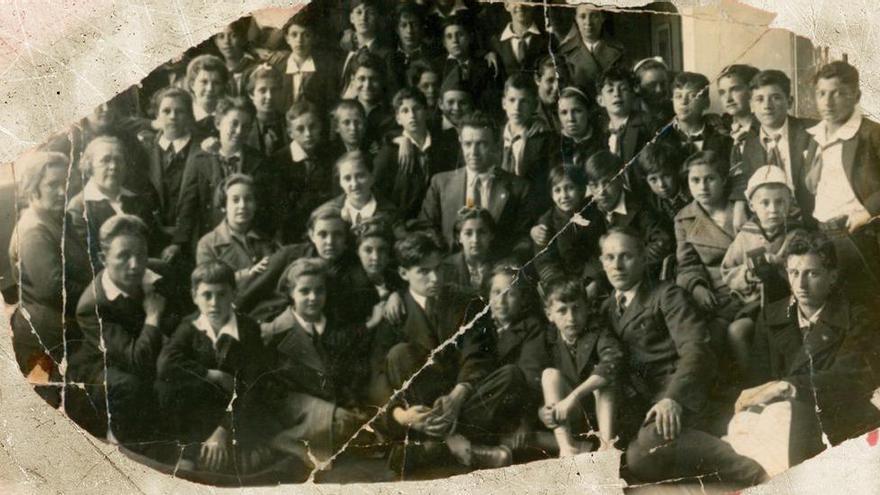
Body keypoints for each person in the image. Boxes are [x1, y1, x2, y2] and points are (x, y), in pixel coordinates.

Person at [598, 227, 767, 485]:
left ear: (643, 258)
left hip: (687, 396)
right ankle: (710, 447)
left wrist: (672, 398)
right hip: (647, 404)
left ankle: (757, 472)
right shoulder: (607, 308)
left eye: (626, 256)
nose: (617, 266)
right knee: (629, 459)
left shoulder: (667, 295)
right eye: (610, 258)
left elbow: (696, 348)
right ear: (602, 262)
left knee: (644, 452)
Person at [372, 231, 527, 470]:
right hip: (421, 411)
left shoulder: (467, 301)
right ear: (404, 274)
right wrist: (402, 416)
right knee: (400, 354)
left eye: (438, 268)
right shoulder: (395, 312)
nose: (434, 278)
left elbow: (477, 355)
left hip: (463, 400)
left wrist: (458, 394)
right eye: (423, 271)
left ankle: (435, 447)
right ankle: (453, 442)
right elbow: (378, 376)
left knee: (511, 376)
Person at [736, 232, 880, 467]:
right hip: (778, 421)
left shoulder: (857, 316)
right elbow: (759, 380)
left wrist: (787, 387)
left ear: (832, 277)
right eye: (794, 273)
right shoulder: (772, 317)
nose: (800, 284)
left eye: (812, 273)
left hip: (840, 418)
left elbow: (848, 379)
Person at [67, 215, 179, 445]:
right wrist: (154, 315)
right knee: (131, 387)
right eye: (123, 256)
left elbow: (182, 318)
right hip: (104, 364)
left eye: (141, 255)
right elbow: (136, 360)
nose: (135, 264)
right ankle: (127, 442)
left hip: (147, 348)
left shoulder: (159, 272)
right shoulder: (92, 306)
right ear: (103, 258)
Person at [157, 261, 276, 473]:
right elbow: (166, 363)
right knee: (169, 387)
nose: (214, 303)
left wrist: (223, 429)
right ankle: (194, 452)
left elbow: (253, 383)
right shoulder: (189, 326)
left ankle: (227, 450)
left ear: (234, 294)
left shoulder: (247, 329)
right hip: (201, 408)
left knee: (256, 402)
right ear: (195, 296)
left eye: (222, 294)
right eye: (207, 295)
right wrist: (212, 374)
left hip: (237, 406)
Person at [261, 257, 374, 463]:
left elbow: (351, 373)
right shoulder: (273, 333)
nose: (313, 297)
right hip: (294, 407)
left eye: (319, 290)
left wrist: (352, 403)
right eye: (304, 291)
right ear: (291, 294)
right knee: (343, 424)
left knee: (363, 423)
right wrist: (325, 410)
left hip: (336, 402)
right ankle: (285, 441)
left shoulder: (338, 328)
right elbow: (270, 389)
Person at [8, 152, 91, 406]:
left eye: (64, 183)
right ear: (34, 187)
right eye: (52, 185)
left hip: (66, 328)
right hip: (43, 338)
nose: (60, 191)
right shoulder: (33, 230)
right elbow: (53, 288)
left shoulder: (57, 221)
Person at [801, 61, 880, 304]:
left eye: (838, 93)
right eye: (822, 94)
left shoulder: (871, 134)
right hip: (823, 233)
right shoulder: (816, 136)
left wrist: (867, 212)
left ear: (856, 96)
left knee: (862, 304)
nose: (828, 102)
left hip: (859, 235)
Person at [721, 165, 806, 376]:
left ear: (790, 204)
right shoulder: (745, 236)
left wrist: (781, 264)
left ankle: (790, 376)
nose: (773, 209)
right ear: (751, 205)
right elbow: (728, 271)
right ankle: (755, 381)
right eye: (765, 203)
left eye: (780, 202)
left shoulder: (797, 234)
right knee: (738, 331)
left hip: (790, 301)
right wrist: (749, 273)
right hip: (755, 305)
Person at [525, 276, 621, 457]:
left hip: (603, 414)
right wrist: (542, 412)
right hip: (572, 417)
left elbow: (611, 362)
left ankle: (606, 448)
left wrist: (573, 397)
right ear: (549, 315)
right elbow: (538, 385)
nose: (571, 318)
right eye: (562, 311)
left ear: (587, 308)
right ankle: (567, 448)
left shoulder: (598, 330)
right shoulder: (548, 339)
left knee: (603, 381)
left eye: (576, 308)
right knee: (549, 375)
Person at [419, 111, 533, 257]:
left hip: (499, 270)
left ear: (496, 145)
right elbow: (426, 228)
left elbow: (523, 238)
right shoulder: (440, 183)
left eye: (482, 144)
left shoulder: (519, 188)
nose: (473, 152)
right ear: (460, 143)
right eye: (468, 144)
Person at [175, 96, 273, 248]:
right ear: (218, 123)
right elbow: (188, 206)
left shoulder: (259, 162)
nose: (239, 131)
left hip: (249, 243)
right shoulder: (200, 160)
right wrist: (179, 243)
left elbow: (267, 207)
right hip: (210, 241)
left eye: (246, 126)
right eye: (234, 124)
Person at [673, 151, 739, 355]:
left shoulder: (740, 208)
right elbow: (687, 264)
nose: (702, 187)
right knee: (702, 339)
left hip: (746, 286)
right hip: (714, 294)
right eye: (695, 180)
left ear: (723, 179)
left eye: (710, 179)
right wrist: (697, 286)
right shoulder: (684, 219)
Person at [730, 69, 815, 223]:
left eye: (775, 98)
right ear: (751, 106)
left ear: (789, 102)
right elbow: (744, 177)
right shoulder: (749, 142)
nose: (767, 106)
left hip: (811, 220)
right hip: (771, 223)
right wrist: (739, 204)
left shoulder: (812, 132)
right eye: (759, 99)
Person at [67, 135, 161, 268]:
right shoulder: (79, 208)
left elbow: (155, 243)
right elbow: (89, 259)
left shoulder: (137, 200)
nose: (113, 166)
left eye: (118, 160)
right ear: (89, 166)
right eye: (105, 160)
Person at [373, 88, 457, 220]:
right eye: (405, 111)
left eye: (417, 108)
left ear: (426, 112)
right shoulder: (389, 152)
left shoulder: (442, 146)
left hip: (438, 220)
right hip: (403, 224)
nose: (412, 115)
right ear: (398, 119)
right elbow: (378, 193)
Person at [140, 87, 199, 263]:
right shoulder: (146, 149)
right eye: (166, 111)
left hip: (192, 237)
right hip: (154, 238)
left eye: (179, 111)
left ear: (189, 115)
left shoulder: (201, 149)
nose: (173, 116)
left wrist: (179, 240)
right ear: (157, 115)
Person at [196, 174, 279, 295]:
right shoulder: (208, 243)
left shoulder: (266, 239)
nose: (243, 206)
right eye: (235, 200)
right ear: (224, 206)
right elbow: (208, 283)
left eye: (248, 199)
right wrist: (249, 273)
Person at [272, 100, 335, 243]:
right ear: (290, 133)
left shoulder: (330, 155)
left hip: (325, 232)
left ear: (320, 126)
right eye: (300, 129)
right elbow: (280, 209)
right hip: (290, 236)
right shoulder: (277, 162)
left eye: (313, 127)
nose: (308, 134)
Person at [499, 73, 558, 211]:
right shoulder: (493, 136)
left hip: (531, 211)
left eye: (524, 101)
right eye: (512, 100)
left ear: (535, 105)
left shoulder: (547, 140)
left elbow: (550, 186)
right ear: (504, 103)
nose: (517, 108)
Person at [531, 164, 590, 283]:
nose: (564, 196)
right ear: (552, 195)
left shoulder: (592, 212)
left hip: (593, 277)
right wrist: (559, 283)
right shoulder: (547, 222)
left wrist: (593, 279)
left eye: (570, 188)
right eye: (557, 190)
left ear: (581, 189)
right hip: (562, 282)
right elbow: (544, 261)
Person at [275, 10, 341, 112]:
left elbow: (330, 105)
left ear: (313, 38)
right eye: (294, 35)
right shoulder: (278, 68)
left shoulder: (326, 68)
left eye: (306, 35)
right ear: (287, 38)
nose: (299, 40)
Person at [321, 150, 399, 227]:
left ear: (372, 177)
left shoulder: (390, 212)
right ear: (340, 182)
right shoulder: (327, 212)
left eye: (361, 176)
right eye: (347, 178)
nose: (354, 184)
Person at [558, 4, 624, 94]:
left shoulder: (619, 50)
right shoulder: (564, 52)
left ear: (602, 18)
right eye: (582, 16)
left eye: (594, 16)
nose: (588, 22)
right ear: (576, 19)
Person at [440, 207, 497, 296]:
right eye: (468, 233)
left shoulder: (501, 266)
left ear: (491, 235)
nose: (475, 240)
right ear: (459, 237)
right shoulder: (445, 268)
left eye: (482, 232)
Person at [489, 0, 552, 78]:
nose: (520, 6)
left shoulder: (548, 39)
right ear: (507, 5)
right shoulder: (495, 43)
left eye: (526, 0)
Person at [634, 140, 690, 223]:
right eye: (653, 179)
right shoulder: (651, 204)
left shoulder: (692, 191)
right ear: (645, 180)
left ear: (676, 171)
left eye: (666, 176)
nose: (661, 185)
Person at [244, 64, 287, 157]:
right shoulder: (243, 127)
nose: (269, 96)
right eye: (262, 90)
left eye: (274, 90)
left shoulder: (289, 124)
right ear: (251, 94)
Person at [185, 55, 230, 139]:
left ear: (223, 86)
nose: (210, 89)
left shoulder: (229, 117)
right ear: (192, 85)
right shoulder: (184, 117)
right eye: (204, 82)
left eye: (216, 83)